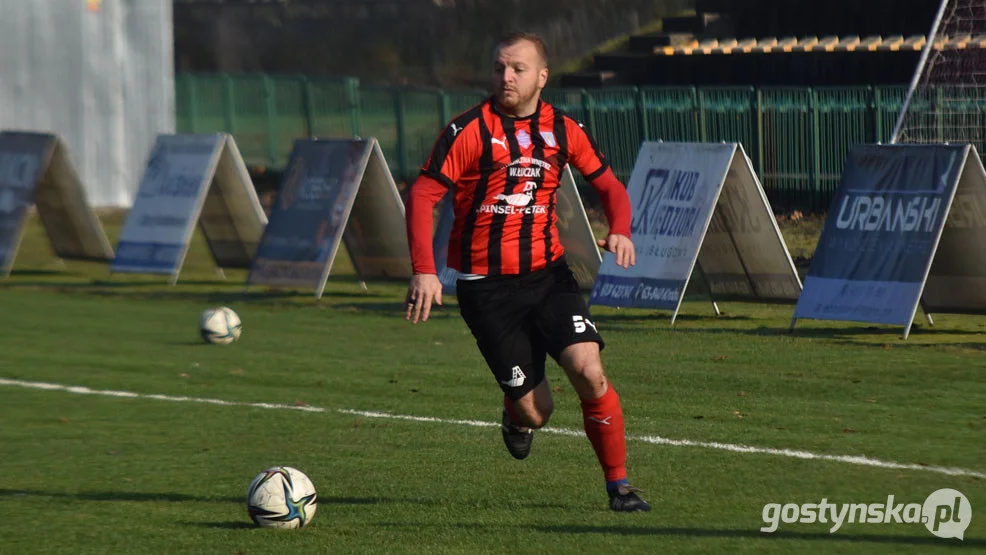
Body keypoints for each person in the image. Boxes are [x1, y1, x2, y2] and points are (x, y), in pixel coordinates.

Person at [403, 32, 649, 512]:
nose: (505, 77)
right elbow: (422, 196)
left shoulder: (562, 128)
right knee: (539, 412)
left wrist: (621, 228)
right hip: (487, 290)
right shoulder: (468, 130)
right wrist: (424, 270)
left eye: (516, 69)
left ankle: (619, 487)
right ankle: (516, 416)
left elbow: (609, 186)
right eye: (499, 68)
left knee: (590, 372)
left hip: (548, 277)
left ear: (542, 76)